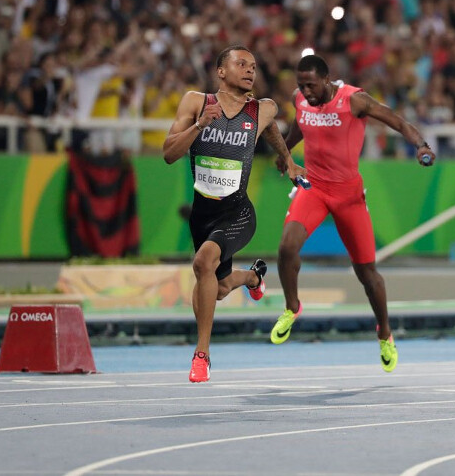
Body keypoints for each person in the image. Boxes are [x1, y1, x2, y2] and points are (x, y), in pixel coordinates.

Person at [270, 54, 436, 372]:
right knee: (287, 247)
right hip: (314, 188)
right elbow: (299, 128)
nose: (306, 91)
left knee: (367, 274)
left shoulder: (354, 100)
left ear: (327, 80)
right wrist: (285, 151)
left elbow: (398, 122)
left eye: (311, 85)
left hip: (348, 197)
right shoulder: (300, 99)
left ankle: (385, 332)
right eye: (301, 85)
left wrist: (421, 145)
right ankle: (292, 307)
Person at [163, 45, 304, 383]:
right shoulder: (196, 103)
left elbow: (270, 129)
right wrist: (199, 126)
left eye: (253, 66)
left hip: (238, 213)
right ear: (221, 71)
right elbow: (169, 153)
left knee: (203, 263)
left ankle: (202, 355)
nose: (250, 70)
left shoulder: (262, 108)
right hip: (202, 215)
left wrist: (288, 160)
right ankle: (252, 278)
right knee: (220, 286)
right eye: (241, 64)